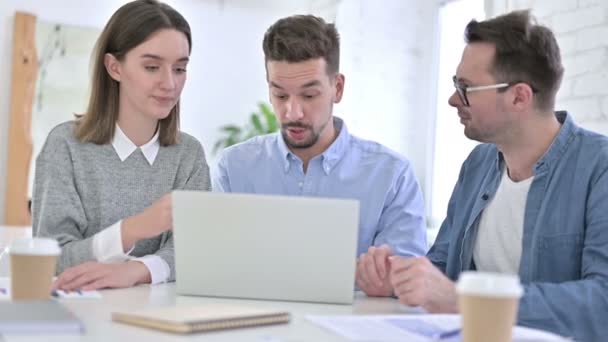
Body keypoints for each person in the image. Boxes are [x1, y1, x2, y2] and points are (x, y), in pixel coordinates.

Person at [386, 10, 608, 342]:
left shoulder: (599, 167)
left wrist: (468, 302)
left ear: (519, 96)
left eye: (466, 88)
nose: (452, 99)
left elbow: (602, 303)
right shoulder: (477, 164)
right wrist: (398, 280)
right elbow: (441, 267)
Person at [213, 14, 427, 297]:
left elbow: (404, 278)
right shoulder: (234, 167)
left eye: (309, 96)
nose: (293, 113)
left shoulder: (391, 175)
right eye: (280, 95)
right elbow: (218, 265)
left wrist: (389, 281)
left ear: (337, 88)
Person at [32, 0, 210, 291]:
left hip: (161, 322)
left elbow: (192, 252)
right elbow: (53, 259)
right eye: (152, 67)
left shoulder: (189, 155)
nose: (170, 83)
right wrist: (133, 229)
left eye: (179, 68)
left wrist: (135, 271)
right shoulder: (65, 146)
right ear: (114, 67)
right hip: (82, 320)